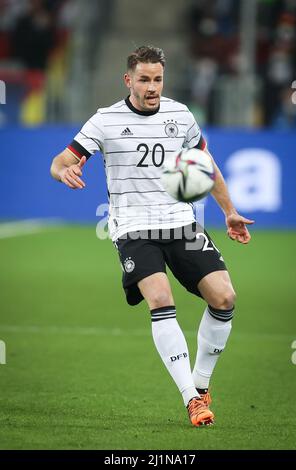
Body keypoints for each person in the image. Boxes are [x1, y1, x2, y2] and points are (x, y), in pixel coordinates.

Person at [50, 45, 254, 427]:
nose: (152, 86)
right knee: (160, 297)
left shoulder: (181, 115)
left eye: (157, 79)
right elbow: (61, 160)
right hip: (132, 227)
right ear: (129, 80)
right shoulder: (105, 121)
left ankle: (201, 383)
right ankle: (190, 399)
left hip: (180, 222)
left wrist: (230, 211)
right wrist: (64, 171)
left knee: (224, 297)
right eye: (144, 79)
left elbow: (205, 165)